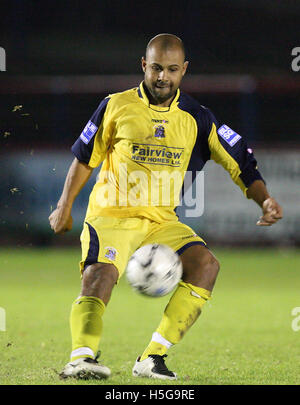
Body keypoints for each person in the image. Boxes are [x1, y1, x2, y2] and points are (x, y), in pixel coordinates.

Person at [49, 33, 283, 380]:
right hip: (112, 214)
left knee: (206, 265)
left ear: (184, 70)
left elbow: (239, 159)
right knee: (100, 274)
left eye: (172, 70)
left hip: (161, 221)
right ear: (144, 65)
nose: (163, 77)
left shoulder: (197, 117)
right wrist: (64, 206)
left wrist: (263, 198)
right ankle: (81, 357)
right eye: (156, 68)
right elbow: (84, 159)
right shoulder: (115, 104)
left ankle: (152, 357)